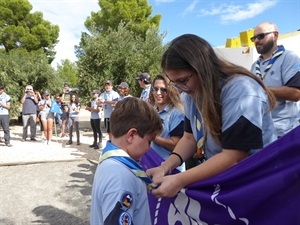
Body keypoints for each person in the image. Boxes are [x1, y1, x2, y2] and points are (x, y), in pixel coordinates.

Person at [146, 34, 277, 198]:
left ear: (201, 68)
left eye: (183, 80)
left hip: (256, 183)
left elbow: (233, 156)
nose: (180, 90)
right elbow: (189, 138)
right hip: (229, 182)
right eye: (174, 83)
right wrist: (165, 167)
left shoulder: (241, 91)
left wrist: (179, 179)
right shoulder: (192, 94)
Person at [90, 97, 163, 225]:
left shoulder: (111, 163)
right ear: (131, 135)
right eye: (149, 141)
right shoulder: (121, 176)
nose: (149, 148)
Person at [250, 22, 300, 137]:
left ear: (275, 35)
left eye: (261, 36)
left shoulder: (288, 58)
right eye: (254, 38)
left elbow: (296, 93)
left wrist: (260, 90)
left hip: (283, 133)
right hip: (260, 132)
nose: (256, 40)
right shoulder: (254, 66)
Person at [148, 75, 185, 171]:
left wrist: (152, 137)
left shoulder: (177, 113)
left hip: (171, 170)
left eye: (163, 90)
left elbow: (176, 145)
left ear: (171, 91)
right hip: (154, 165)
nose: (158, 93)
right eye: (155, 89)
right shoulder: (153, 111)